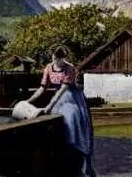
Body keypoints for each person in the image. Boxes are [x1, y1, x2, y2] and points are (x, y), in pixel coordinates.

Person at [27, 45, 96, 177]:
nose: (56, 60)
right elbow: (42, 88)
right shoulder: (48, 68)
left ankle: (79, 155)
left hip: (72, 98)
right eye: (55, 57)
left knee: (71, 119)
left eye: (59, 58)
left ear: (64, 58)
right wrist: (29, 101)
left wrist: (48, 107)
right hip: (57, 98)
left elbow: (61, 91)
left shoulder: (69, 69)